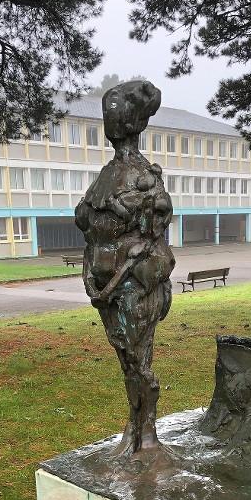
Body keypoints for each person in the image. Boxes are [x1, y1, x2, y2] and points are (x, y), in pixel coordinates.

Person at [75, 80, 175, 456]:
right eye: (108, 112)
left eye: (116, 112)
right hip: (107, 284)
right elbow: (89, 226)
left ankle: (145, 433)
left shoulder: (146, 177)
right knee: (127, 360)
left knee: (137, 359)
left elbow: (155, 233)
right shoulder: (107, 174)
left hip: (134, 283)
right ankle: (135, 428)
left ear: (133, 121)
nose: (110, 120)